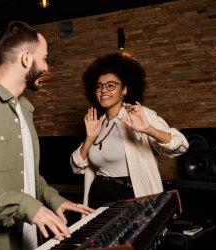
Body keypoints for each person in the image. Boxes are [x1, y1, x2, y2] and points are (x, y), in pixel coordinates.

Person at [0, 21, 94, 250]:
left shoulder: (23, 109)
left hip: (27, 241)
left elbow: (27, 174)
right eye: (44, 58)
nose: (46, 67)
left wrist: (54, 199)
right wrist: (25, 206)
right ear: (26, 58)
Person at [70, 52, 189, 209]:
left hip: (130, 194)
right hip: (98, 194)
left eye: (111, 85)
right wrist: (90, 138)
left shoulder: (139, 114)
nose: (104, 90)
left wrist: (148, 129)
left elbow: (180, 144)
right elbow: (76, 166)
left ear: (124, 90)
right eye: (99, 87)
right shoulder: (98, 123)